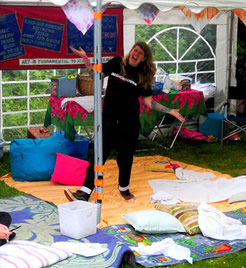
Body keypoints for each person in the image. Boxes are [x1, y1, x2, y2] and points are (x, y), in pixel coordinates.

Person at [65, 41, 184, 201]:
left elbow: (149, 102)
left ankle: (124, 188)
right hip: (108, 119)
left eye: (140, 53)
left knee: (125, 157)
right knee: (99, 154)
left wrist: (170, 110)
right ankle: (85, 191)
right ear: (131, 51)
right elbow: (96, 74)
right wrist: (85, 58)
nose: (136, 54)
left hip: (129, 122)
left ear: (143, 58)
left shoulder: (143, 76)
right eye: (135, 50)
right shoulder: (117, 63)